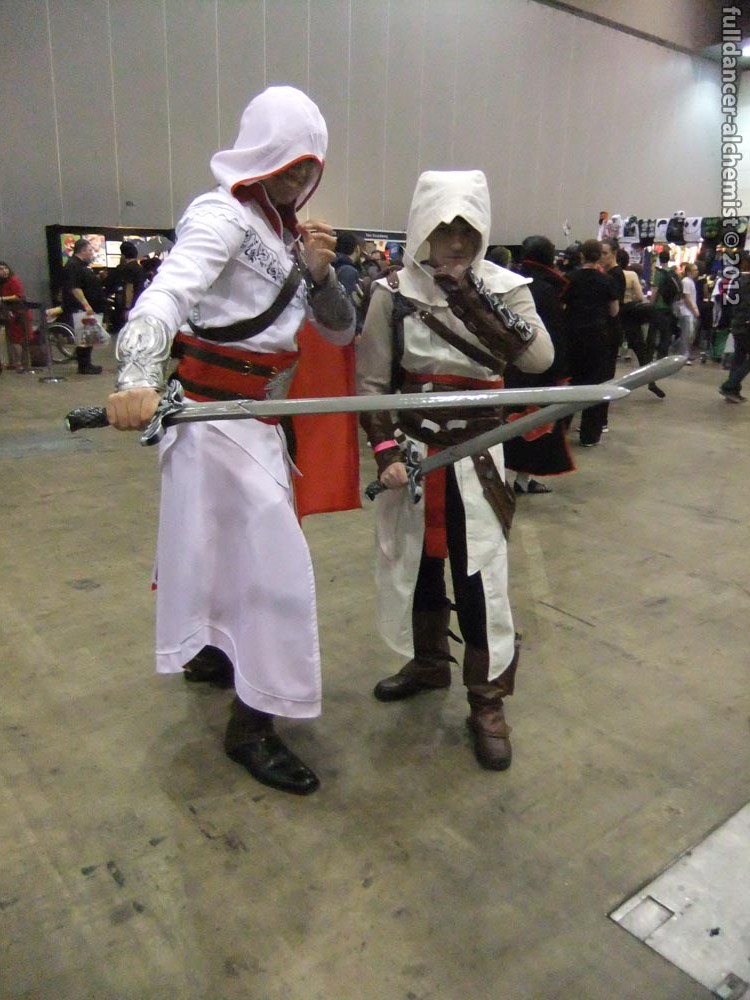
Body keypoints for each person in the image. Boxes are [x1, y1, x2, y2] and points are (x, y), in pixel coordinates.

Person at [104, 85, 356, 796]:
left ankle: (213, 653)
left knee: (222, 556)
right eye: (289, 162)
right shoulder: (220, 216)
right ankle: (252, 725)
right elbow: (165, 296)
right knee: (279, 579)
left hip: (259, 425)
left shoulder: (288, 237)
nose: (299, 179)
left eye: (310, 168)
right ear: (261, 151)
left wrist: (319, 273)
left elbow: (338, 330)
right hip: (212, 422)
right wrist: (135, 372)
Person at [356, 170, 553, 771]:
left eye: (469, 229)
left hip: (480, 452)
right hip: (414, 454)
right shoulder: (392, 291)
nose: (458, 243)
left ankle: (487, 700)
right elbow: (372, 382)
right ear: (423, 229)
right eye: (445, 230)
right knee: (416, 564)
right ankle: (428, 661)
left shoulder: (507, 287)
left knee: (479, 578)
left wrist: (470, 296)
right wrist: (386, 451)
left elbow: (538, 359)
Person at [506, 235, 575, 494]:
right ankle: (522, 479)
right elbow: (556, 335)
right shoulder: (548, 290)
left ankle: (502, 476)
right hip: (539, 368)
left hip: (508, 366)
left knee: (508, 421)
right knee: (535, 426)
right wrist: (561, 371)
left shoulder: (511, 285)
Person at [562, 239, 618, 447]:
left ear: (582, 256)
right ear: (599, 256)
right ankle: (590, 435)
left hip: (573, 336)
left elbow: (561, 305)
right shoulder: (607, 281)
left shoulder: (569, 278)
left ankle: (561, 427)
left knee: (569, 383)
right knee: (596, 385)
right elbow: (614, 311)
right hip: (598, 337)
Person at [616, 248, 663, 398]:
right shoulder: (631, 275)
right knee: (640, 350)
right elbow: (639, 296)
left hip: (614, 314)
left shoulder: (608, 274)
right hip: (630, 314)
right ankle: (651, 381)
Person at [61, 238, 105, 374]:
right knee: (84, 336)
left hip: (88, 306)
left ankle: (87, 363)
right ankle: (84, 365)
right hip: (80, 308)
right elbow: (75, 288)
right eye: (90, 250)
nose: (92, 253)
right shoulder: (73, 265)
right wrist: (86, 305)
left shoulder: (81, 265)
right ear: (83, 250)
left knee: (89, 336)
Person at [719, 250, 750, 403]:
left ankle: (733, 391)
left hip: (737, 323)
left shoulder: (735, 280)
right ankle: (729, 386)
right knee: (742, 357)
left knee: (739, 357)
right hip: (746, 324)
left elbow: (730, 302)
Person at [647, 248, 679, 363]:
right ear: (669, 259)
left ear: (659, 259)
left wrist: (650, 304)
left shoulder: (659, 273)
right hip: (669, 307)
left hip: (658, 308)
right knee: (666, 334)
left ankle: (649, 356)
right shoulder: (673, 273)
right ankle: (662, 357)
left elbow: (655, 290)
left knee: (653, 333)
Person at [0, 260, 33, 370]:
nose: (4, 271)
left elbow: (18, 296)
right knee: (14, 339)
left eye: (5, 268)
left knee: (20, 339)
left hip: (20, 313)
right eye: (1, 269)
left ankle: (21, 363)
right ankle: (18, 363)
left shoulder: (14, 280)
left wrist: (2, 298)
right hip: (11, 314)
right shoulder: (3, 283)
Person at [109, 241, 146, 333]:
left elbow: (129, 289)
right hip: (139, 303)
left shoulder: (126, 269)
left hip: (128, 305)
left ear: (123, 255)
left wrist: (127, 307)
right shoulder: (139, 268)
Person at [673, 261, 700, 362]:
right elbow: (687, 298)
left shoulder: (690, 281)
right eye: (695, 270)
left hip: (689, 311)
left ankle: (679, 349)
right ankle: (683, 355)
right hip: (686, 311)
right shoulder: (686, 282)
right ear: (689, 271)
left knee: (689, 333)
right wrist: (694, 309)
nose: (697, 272)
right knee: (686, 334)